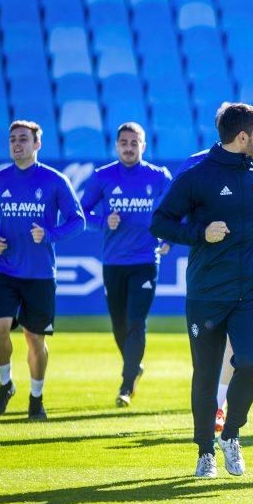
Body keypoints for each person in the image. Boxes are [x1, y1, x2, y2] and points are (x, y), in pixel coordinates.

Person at [150, 103, 253, 478]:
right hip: (207, 291)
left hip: (251, 288)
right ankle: (205, 450)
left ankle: (232, 436)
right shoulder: (197, 176)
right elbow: (160, 222)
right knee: (206, 376)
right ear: (242, 137)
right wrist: (199, 235)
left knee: (249, 363)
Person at [178, 105, 253, 433]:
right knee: (224, 344)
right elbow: (176, 214)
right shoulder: (197, 166)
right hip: (215, 268)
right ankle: (218, 404)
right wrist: (200, 232)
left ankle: (223, 401)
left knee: (245, 338)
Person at [0, 120, 85, 420]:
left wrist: (50, 234)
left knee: (34, 340)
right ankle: (5, 384)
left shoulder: (55, 180)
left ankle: (36, 397)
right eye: (13, 138)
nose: (17, 144)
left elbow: (77, 220)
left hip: (40, 274)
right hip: (5, 270)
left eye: (24, 139)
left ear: (37, 144)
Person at [80, 122, 172, 407]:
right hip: (113, 262)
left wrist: (169, 236)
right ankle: (135, 367)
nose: (129, 147)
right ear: (116, 145)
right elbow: (82, 213)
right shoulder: (102, 177)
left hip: (145, 260)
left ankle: (126, 382)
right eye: (124, 142)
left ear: (143, 146)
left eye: (135, 143)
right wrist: (103, 222)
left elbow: (176, 210)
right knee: (119, 326)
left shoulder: (158, 177)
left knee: (135, 322)